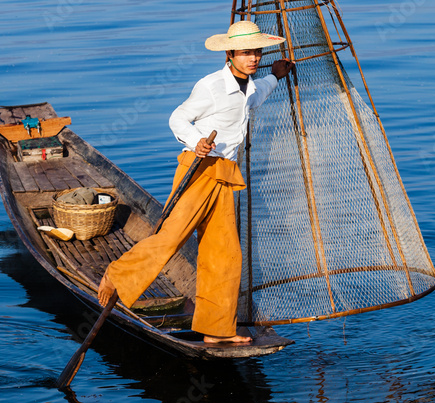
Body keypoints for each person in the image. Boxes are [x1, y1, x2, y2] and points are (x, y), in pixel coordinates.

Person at [98, 21, 294, 344]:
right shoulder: (211, 86)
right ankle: (116, 275)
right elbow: (177, 117)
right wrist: (197, 139)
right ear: (229, 54)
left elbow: (255, 98)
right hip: (198, 170)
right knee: (171, 238)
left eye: (257, 52)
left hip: (226, 175)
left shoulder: (249, 86)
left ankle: (217, 331)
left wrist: (276, 74)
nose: (253, 58)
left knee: (225, 253)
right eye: (246, 52)